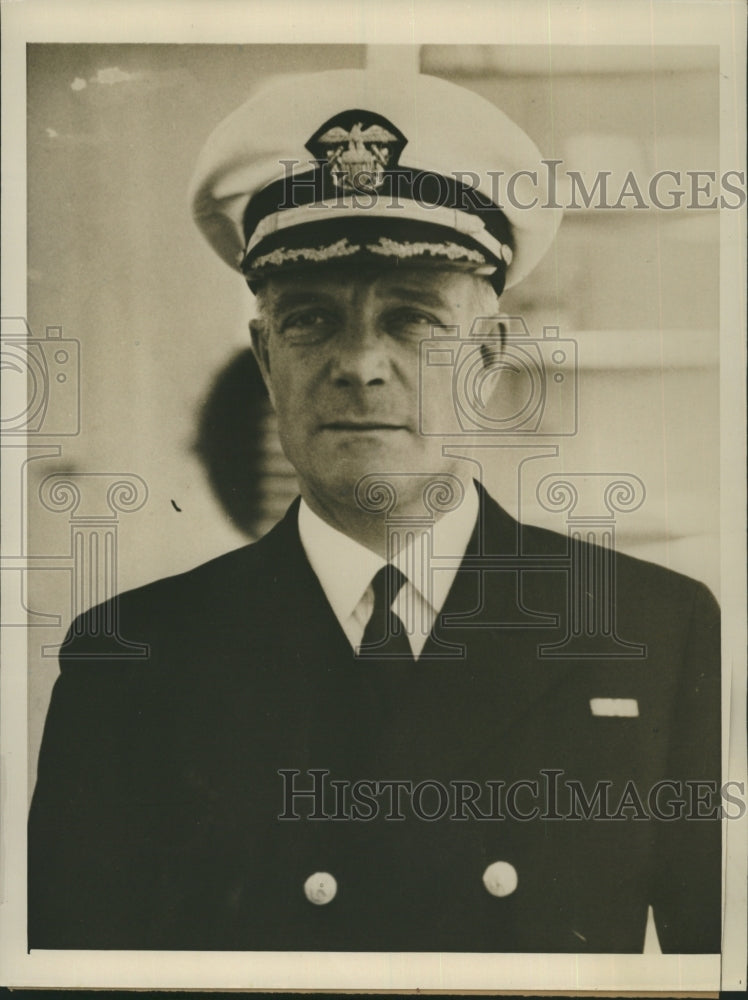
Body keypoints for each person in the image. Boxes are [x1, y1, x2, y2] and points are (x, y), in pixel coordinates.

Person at [28, 68, 721, 954]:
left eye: (414, 319)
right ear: (265, 355)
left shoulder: (654, 631)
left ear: (489, 357)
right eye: (312, 320)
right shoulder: (128, 660)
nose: (360, 363)